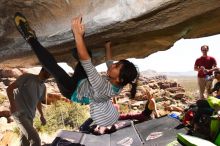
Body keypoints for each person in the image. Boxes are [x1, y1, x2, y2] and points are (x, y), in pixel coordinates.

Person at [14, 12, 139, 131]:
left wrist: (78, 35)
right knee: (86, 54)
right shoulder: (119, 82)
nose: (113, 66)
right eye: (117, 64)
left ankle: (30, 37)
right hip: (83, 82)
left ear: (119, 79)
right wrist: (107, 46)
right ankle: (76, 52)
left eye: (116, 67)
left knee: (53, 67)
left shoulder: (103, 88)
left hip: (72, 91)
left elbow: (87, 63)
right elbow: (109, 62)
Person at [6, 68, 50, 146]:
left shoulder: (43, 87)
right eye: (48, 71)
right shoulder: (27, 77)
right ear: (42, 70)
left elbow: (38, 101)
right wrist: (12, 105)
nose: (50, 74)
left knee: (24, 142)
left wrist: (41, 115)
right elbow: (9, 89)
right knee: (36, 140)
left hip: (30, 116)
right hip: (19, 113)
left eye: (51, 73)